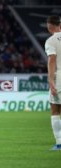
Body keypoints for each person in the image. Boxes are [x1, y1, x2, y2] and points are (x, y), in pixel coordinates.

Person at [45, 15, 61, 151]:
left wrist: (51, 80)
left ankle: (59, 142)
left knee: (55, 110)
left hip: (59, 76)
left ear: (50, 25)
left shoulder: (51, 41)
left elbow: (52, 60)